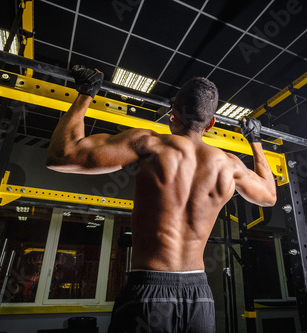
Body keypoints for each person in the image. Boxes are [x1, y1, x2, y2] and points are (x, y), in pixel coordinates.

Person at [46, 65, 277, 332]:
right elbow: (269, 196)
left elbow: (61, 156)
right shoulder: (230, 166)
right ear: (211, 123)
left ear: (172, 114)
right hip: (199, 295)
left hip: (148, 292)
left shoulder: (147, 143)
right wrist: (255, 141)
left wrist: (86, 92)